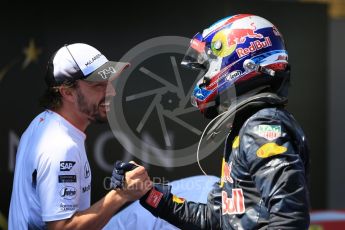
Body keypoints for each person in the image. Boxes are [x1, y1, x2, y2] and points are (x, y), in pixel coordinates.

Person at [136, 14, 310, 229]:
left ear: (242, 59)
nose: (203, 78)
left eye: (207, 67)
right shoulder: (247, 125)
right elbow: (218, 220)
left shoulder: (261, 126)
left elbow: (289, 218)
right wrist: (149, 194)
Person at [8, 43, 152, 229]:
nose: (111, 91)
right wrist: (121, 195)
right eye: (98, 85)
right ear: (67, 92)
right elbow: (62, 227)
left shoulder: (44, 122)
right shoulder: (61, 146)